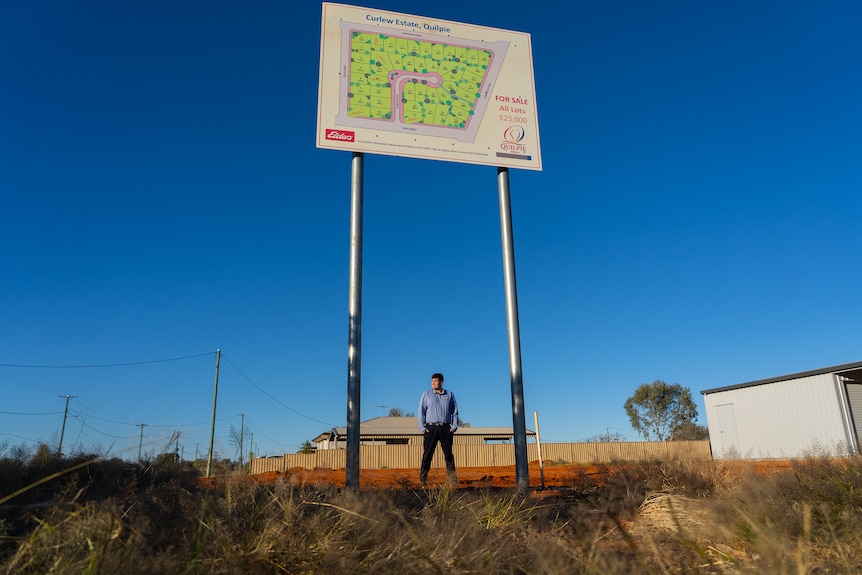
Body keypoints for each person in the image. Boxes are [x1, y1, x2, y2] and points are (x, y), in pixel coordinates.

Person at [417, 372, 458, 486]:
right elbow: (421, 412)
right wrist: (422, 427)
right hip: (431, 428)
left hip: (446, 428)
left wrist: (454, 427)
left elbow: (455, 412)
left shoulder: (449, 395)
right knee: (427, 454)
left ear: (441, 382)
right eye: (432, 381)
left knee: (448, 454)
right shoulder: (426, 394)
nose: (433, 383)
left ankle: (453, 480)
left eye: (436, 381)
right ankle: (423, 479)